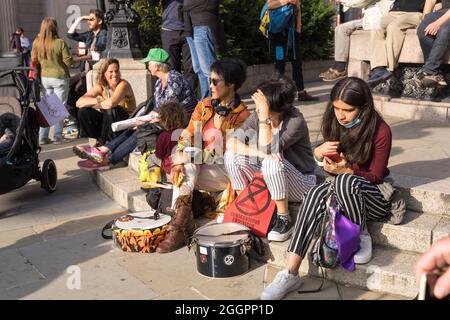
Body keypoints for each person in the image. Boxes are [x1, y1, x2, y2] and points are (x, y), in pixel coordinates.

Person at [261, 77, 394, 300]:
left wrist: (347, 171)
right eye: (336, 108)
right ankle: (290, 272)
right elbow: (329, 169)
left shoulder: (381, 131)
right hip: (344, 189)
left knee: (345, 181)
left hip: (374, 195)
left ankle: (362, 234)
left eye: (348, 110)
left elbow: (376, 176)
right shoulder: (334, 123)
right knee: (315, 193)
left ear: (364, 107)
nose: (341, 115)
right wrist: (319, 155)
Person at [156, 58, 250, 254]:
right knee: (186, 164)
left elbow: (221, 154)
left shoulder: (242, 116)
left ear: (231, 84)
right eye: (210, 80)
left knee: (189, 161)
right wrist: (180, 157)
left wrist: (186, 157)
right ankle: (178, 225)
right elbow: (186, 136)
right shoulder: (205, 105)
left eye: (216, 81)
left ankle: (176, 228)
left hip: (227, 172)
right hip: (200, 166)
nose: (211, 85)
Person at [224, 78, 317, 242]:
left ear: (276, 109)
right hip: (271, 180)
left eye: (262, 105)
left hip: (302, 183)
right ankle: (246, 208)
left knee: (271, 161)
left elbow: (269, 149)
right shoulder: (258, 115)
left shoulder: (295, 121)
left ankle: (284, 219)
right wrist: (258, 153)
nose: (257, 109)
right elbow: (231, 143)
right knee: (232, 156)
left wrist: (264, 118)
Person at [75, 48, 197, 170]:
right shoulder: (159, 82)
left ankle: (108, 159)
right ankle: (103, 150)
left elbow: (169, 109)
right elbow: (157, 108)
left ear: (157, 66)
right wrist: (143, 119)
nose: (148, 65)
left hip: (181, 118)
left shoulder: (174, 79)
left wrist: (146, 121)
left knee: (142, 129)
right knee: (136, 126)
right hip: (167, 117)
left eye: (149, 63)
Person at [319, 0, 393, 82]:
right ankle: (338, 65)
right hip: (370, 19)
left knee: (342, 29)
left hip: (381, 19)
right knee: (340, 29)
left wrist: (342, 1)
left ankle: (340, 68)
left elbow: (362, 1)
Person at [74, 58, 136, 151]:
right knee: (83, 111)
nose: (114, 74)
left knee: (112, 109)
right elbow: (79, 103)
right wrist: (97, 101)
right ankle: (99, 140)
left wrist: (97, 103)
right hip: (109, 122)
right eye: (111, 72)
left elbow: (111, 103)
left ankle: (103, 143)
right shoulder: (101, 87)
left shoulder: (123, 84)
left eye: (116, 71)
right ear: (104, 74)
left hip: (126, 122)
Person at [266, 0, 319, 101]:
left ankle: (301, 92)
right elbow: (269, 6)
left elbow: (298, 9)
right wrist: (287, 1)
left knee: (297, 62)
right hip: (279, 34)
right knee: (279, 63)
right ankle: (277, 94)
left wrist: (298, 29)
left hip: (293, 33)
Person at [32, 17, 73, 145]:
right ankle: (58, 136)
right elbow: (68, 62)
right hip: (60, 77)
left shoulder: (37, 43)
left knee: (48, 107)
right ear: (54, 28)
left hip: (45, 79)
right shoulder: (60, 43)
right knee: (59, 107)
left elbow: (34, 60)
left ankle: (43, 137)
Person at [367, 0, 427, 87]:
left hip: (415, 13)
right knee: (377, 27)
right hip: (394, 12)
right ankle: (379, 68)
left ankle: (390, 68)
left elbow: (436, 3)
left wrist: (425, 19)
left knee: (393, 27)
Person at [147, 0, 197, 91]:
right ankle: (173, 97)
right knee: (170, 68)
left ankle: (190, 98)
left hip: (190, 28)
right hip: (169, 30)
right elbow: (152, 3)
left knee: (191, 68)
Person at [183, 0, 224, 99]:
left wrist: (186, 5)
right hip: (191, 27)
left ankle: (213, 100)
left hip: (202, 24)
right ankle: (206, 100)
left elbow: (187, 4)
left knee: (208, 69)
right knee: (198, 68)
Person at [416, 0, 450, 88]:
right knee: (423, 30)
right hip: (444, 11)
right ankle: (436, 75)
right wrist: (425, 19)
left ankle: (429, 71)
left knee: (444, 31)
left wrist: (438, 23)